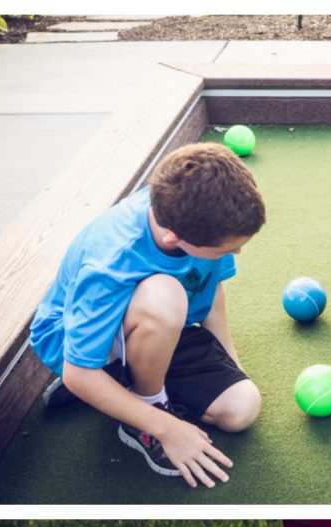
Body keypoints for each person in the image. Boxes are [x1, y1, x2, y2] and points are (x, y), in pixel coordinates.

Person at [30, 143, 265, 488]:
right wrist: (167, 428)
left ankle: (118, 387)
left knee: (242, 409)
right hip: (78, 341)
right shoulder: (111, 259)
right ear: (174, 237)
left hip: (160, 326)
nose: (237, 252)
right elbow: (78, 371)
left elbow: (210, 290)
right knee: (164, 297)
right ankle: (144, 410)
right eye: (228, 249)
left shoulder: (206, 217)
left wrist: (232, 362)